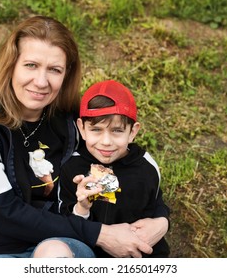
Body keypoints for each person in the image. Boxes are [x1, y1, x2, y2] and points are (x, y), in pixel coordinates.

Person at [0, 15, 159, 258]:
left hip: (64, 244)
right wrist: (100, 234)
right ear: (11, 65)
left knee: (54, 254)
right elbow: (2, 212)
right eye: (31, 65)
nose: (41, 82)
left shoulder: (71, 119)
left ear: (66, 74)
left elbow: (123, 161)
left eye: (54, 70)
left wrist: (162, 218)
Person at [58, 79, 171, 257]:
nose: (106, 141)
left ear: (132, 132)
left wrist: (161, 222)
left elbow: (155, 203)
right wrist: (82, 208)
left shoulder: (146, 168)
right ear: (82, 128)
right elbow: (64, 223)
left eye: (117, 131)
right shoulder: (72, 168)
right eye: (96, 130)